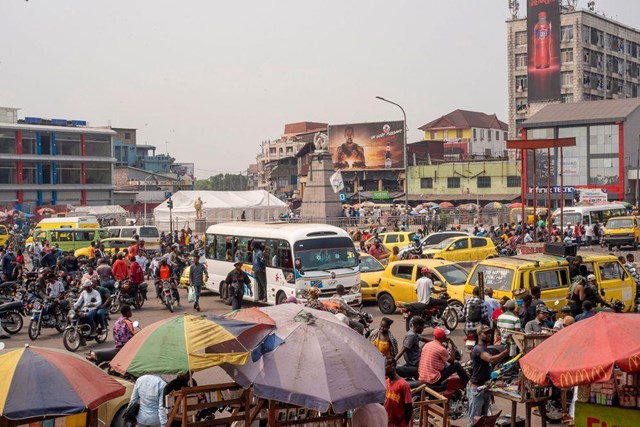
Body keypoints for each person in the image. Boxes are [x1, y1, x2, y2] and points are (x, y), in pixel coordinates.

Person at [467, 325, 510, 427]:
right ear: (479, 334)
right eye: (485, 333)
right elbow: (491, 359)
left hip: (485, 388)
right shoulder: (478, 349)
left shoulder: (486, 348)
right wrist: (506, 352)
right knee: (474, 421)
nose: (489, 335)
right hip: (477, 389)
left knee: (482, 420)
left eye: (490, 333)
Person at [384, 356, 412, 427]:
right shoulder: (386, 382)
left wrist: (403, 423)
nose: (383, 369)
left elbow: (408, 407)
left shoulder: (403, 385)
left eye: (385, 366)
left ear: (392, 366)